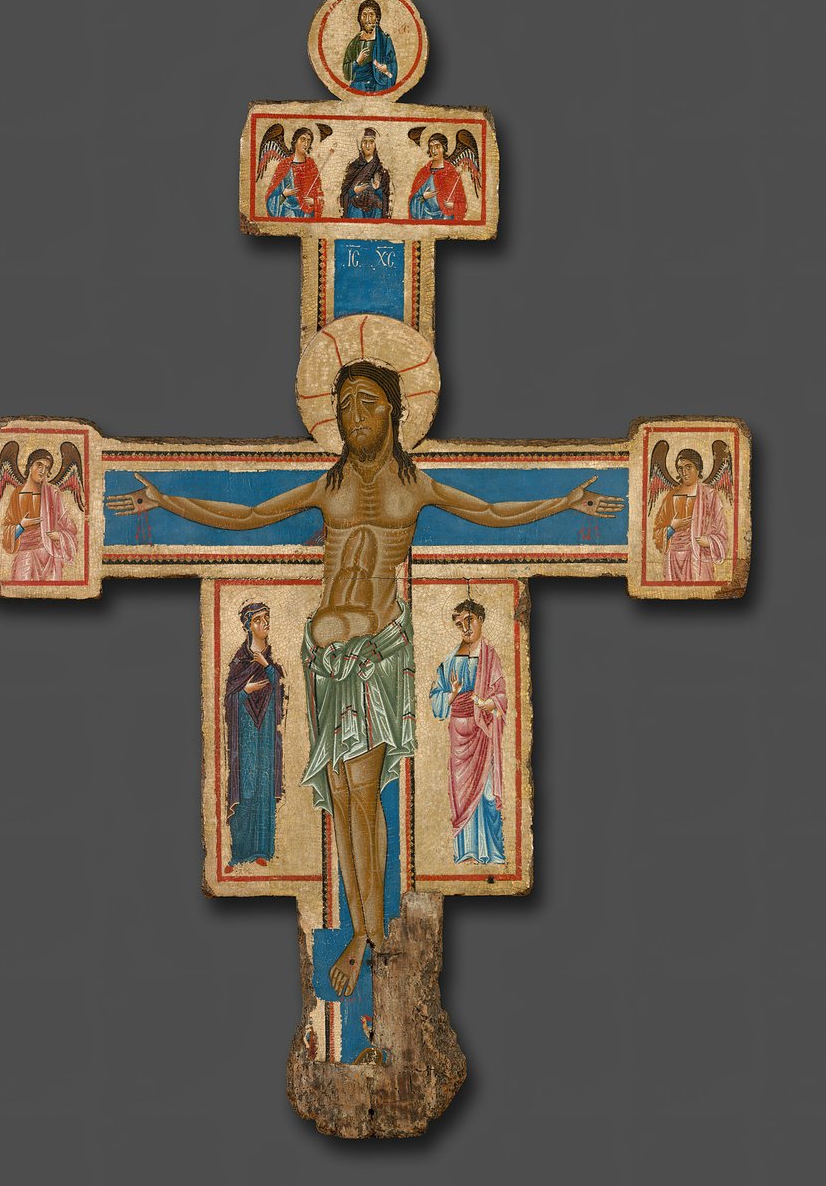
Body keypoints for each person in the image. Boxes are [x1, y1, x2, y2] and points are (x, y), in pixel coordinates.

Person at [107, 362, 623, 996]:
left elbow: (491, 510)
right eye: (346, 403)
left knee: (362, 790)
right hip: (327, 664)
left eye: (369, 402)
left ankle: (365, 934)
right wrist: (167, 500)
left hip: (376, 654)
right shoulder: (328, 486)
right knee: (342, 796)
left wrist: (565, 502)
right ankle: (364, 928)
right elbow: (248, 514)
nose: (356, 415)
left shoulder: (415, 486)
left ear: (396, 411)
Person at [430, 599, 506, 865]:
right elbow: (436, 699)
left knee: (486, 793)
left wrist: (486, 703)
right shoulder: (450, 660)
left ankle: (491, 852)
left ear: (480, 619)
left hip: (482, 733)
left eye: (469, 620)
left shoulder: (491, 657)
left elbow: (502, 696)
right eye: (459, 624)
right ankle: (465, 851)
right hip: (458, 736)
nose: (465, 628)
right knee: (461, 795)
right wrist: (451, 695)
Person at [224, 603, 286, 868]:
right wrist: (245, 691)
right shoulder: (239, 660)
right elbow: (229, 700)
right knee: (246, 786)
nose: (265, 624)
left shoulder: (272, 658)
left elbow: (282, 692)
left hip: (267, 733)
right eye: (259, 620)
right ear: (248, 626)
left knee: (264, 786)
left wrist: (267, 666)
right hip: (246, 732)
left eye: (266, 618)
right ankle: (240, 852)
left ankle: (262, 850)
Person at [1, 449, 78, 582]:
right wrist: (21, 526)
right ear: (30, 466)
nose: (43, 471)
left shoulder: (53, 493)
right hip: (25, 555)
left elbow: (69, 526)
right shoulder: (17, 494)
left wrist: (60, 536)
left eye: (47, 468)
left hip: (50, 555)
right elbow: (6, 533)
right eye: (39, 465)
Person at [652, 449, 728, 582]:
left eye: (689, 467)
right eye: (680, 468)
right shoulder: (671, 496)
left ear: (698, 469)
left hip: (698, 556)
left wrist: (709, 541)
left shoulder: (710, 495)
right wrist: (671, 528)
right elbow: (657, 531)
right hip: (673, 558)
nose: (684, 473)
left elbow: (721, 530)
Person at [265, 128, 324, 219]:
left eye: (309, 140)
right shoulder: (284, 165)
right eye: (303, 139)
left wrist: (314, 201)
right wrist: (284, 194)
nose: (306, 144)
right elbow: (270, 200)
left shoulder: (311, 166)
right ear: (295, 141)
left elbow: (319, 193)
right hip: (288, 213)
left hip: (307, 214)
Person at [409, 133, 467, 223]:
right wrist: (423, 197)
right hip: (425, 219)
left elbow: (463, 204)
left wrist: (453, 206)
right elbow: (412, 203)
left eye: (437, 146)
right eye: (431, 147)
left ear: (444, 148)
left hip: (446, 219)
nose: (433, 150)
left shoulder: (452, 173)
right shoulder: (424, 173)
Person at [342, 0, 397, 93]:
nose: (367, 20)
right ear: (359, 18)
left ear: (377, 18)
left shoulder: (385, 40)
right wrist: (357, 62)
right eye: (364, 15)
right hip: (358, 87)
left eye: (371, 15)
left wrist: (386, 69)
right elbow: (346, 71)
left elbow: (392, 65)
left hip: (379, 86)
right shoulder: (354, 43)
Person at [338, 128, 391, 219]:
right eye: (364, 142)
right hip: (355, 209)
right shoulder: (353, 167)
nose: (367, 146)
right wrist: (354, 191)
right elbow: (344, 194)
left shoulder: (382, 169)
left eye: (371, 142)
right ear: (360, 145)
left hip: (375, 210)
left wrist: (377, 189)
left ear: (376, 144)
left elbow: (386, 196)